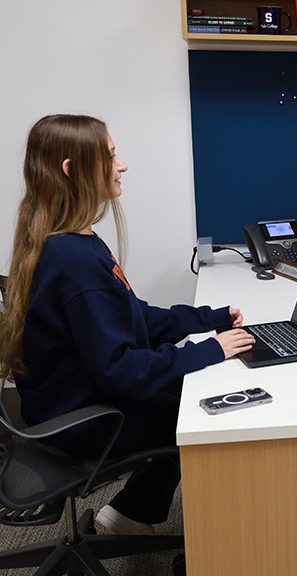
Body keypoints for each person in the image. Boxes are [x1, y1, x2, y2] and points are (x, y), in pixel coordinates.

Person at [0, 114, 256, 535]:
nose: (122, 165)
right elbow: (121, 370)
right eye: (111, 155)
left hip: (63, 402)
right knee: (202, 414)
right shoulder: (75, 263)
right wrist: (211, 350)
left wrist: (206, 319)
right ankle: (211, 540)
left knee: (187, 385)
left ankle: (130, 514)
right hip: (81, 419)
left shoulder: (70, 240)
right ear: (72, 169)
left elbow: (132, 315)